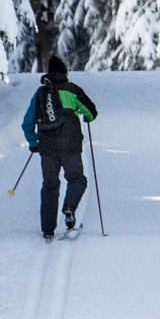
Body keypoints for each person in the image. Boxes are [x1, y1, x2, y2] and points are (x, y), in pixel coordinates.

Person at [22, 53, 98, 238]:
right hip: (70, 145)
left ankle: (48, 230)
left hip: (47, 148)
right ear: (65, 73)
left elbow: (27, 123)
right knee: (77, 179)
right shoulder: (72, 90)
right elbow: (91, 113)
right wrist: (81, 114)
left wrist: (33, 143)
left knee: (50, 186)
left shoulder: (39, 94)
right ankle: (69, 207)